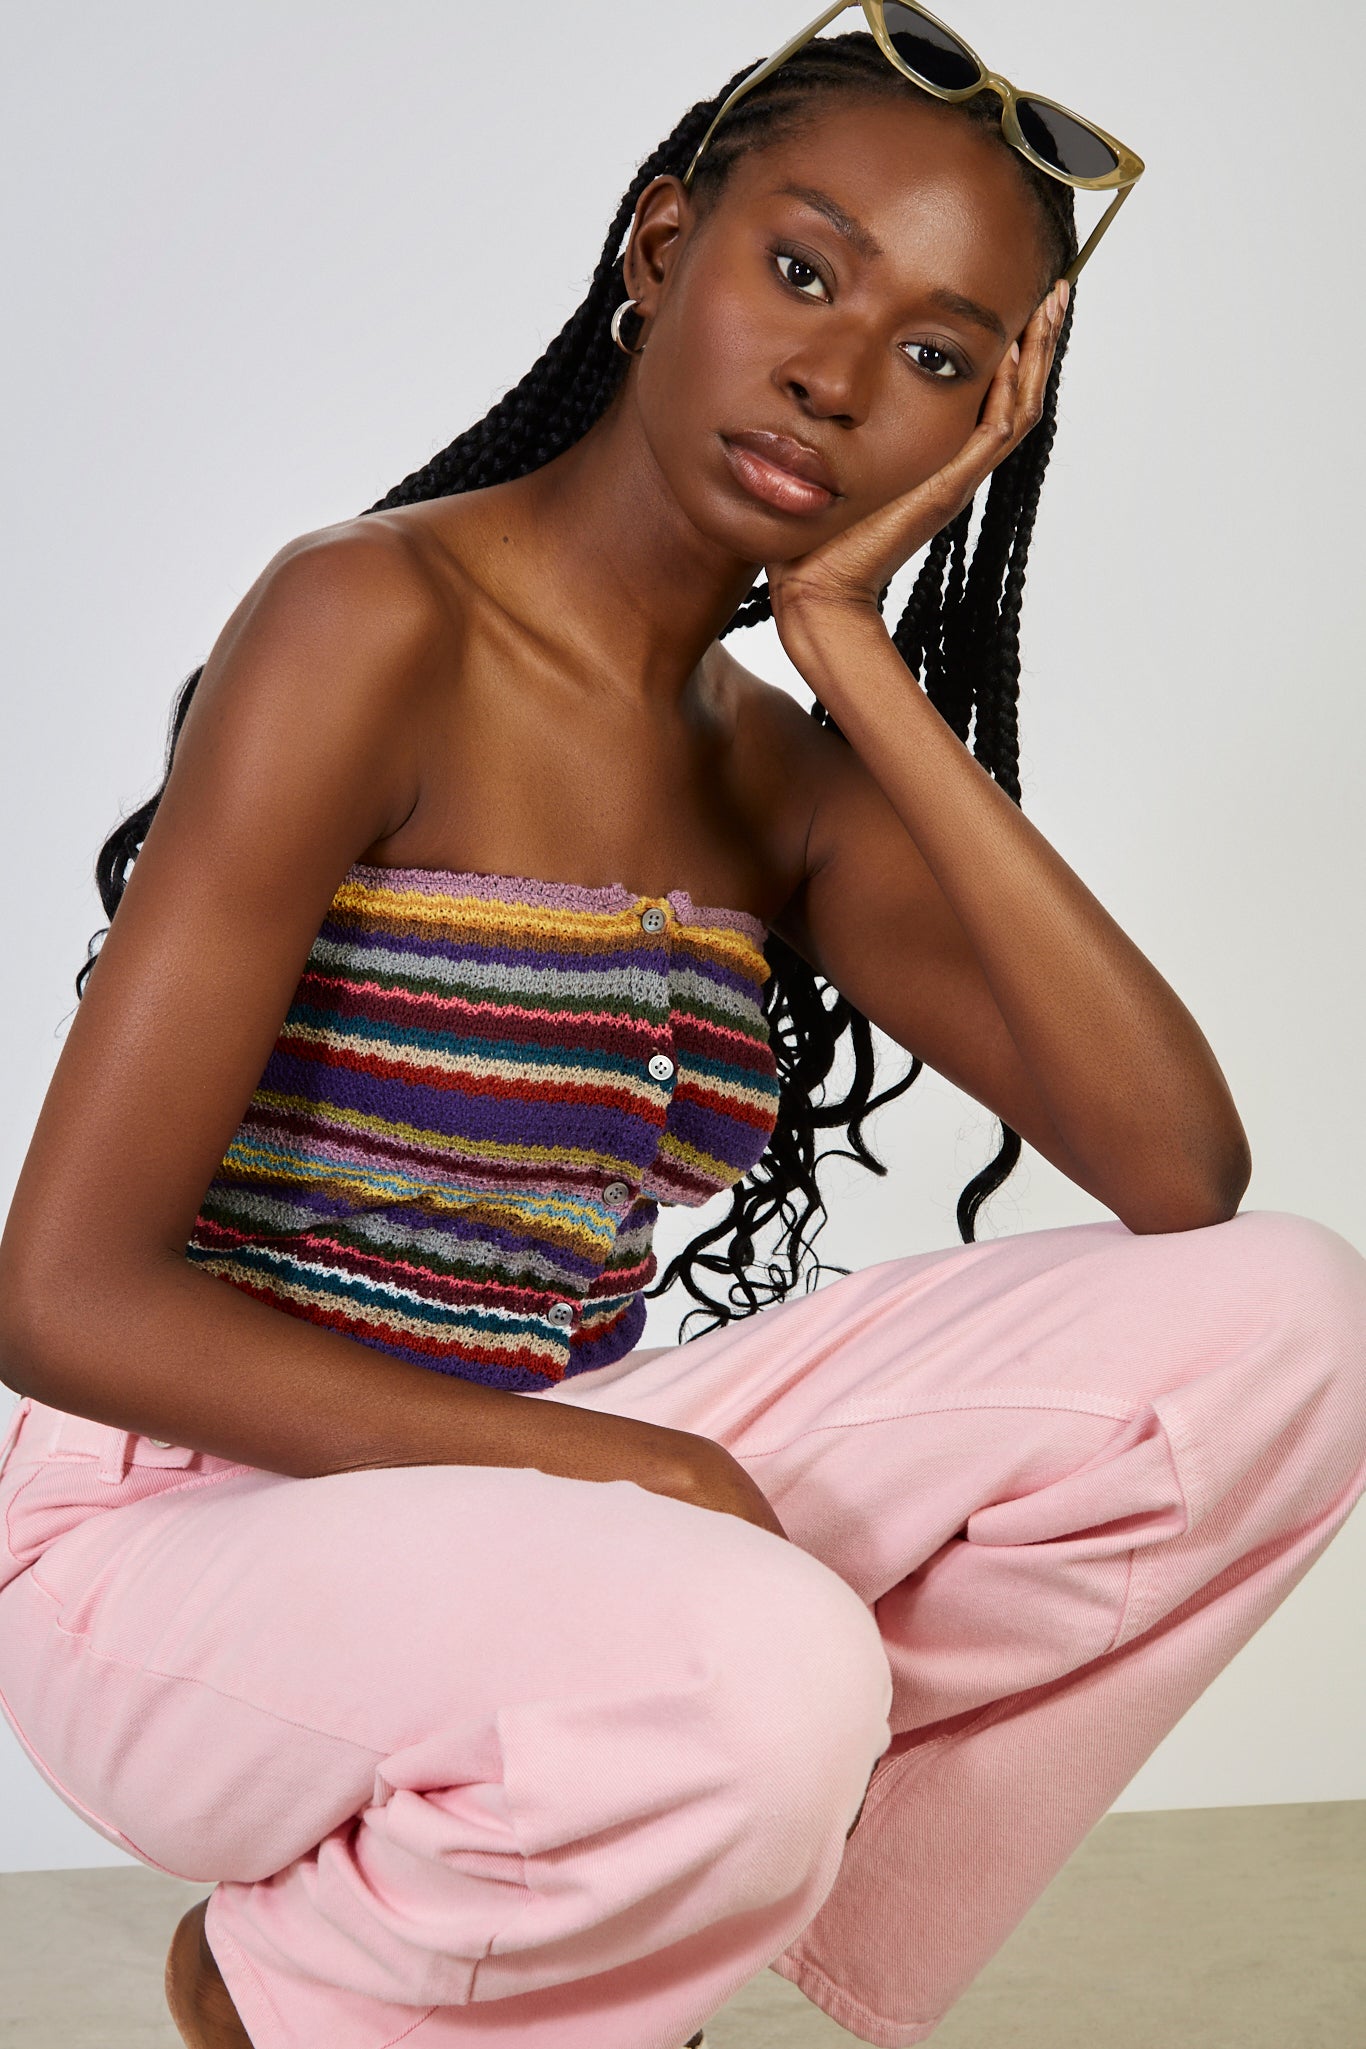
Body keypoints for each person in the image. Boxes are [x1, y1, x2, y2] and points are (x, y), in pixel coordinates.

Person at [2, 9, 1365, 2048]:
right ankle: (326, 1967)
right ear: (660, 247)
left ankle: (609, 1891)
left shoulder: (777, 773)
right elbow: (59, 1298)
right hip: (173, 1537)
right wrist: (621, 1470)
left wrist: (852, 657)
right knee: (745, 1653)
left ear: (982, 431)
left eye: (937, 360)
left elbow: (1181, 1169)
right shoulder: (370, 622)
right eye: (801, 270)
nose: (837, 376)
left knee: (1288, 1324)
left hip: (551, 1512)